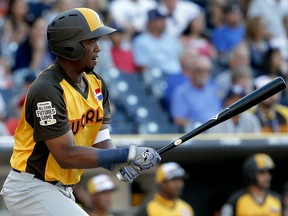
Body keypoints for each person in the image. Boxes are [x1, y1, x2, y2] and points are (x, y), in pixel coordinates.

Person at [0, 8, 161, 216]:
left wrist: (117, 164)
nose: (98, 48)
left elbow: (101, 137)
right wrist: (128, 153)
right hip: (31, 187)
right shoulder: (47, 89)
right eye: (91, 41)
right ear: (70, 46)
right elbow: (66, 155)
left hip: (61, 189)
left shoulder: (96, 83)